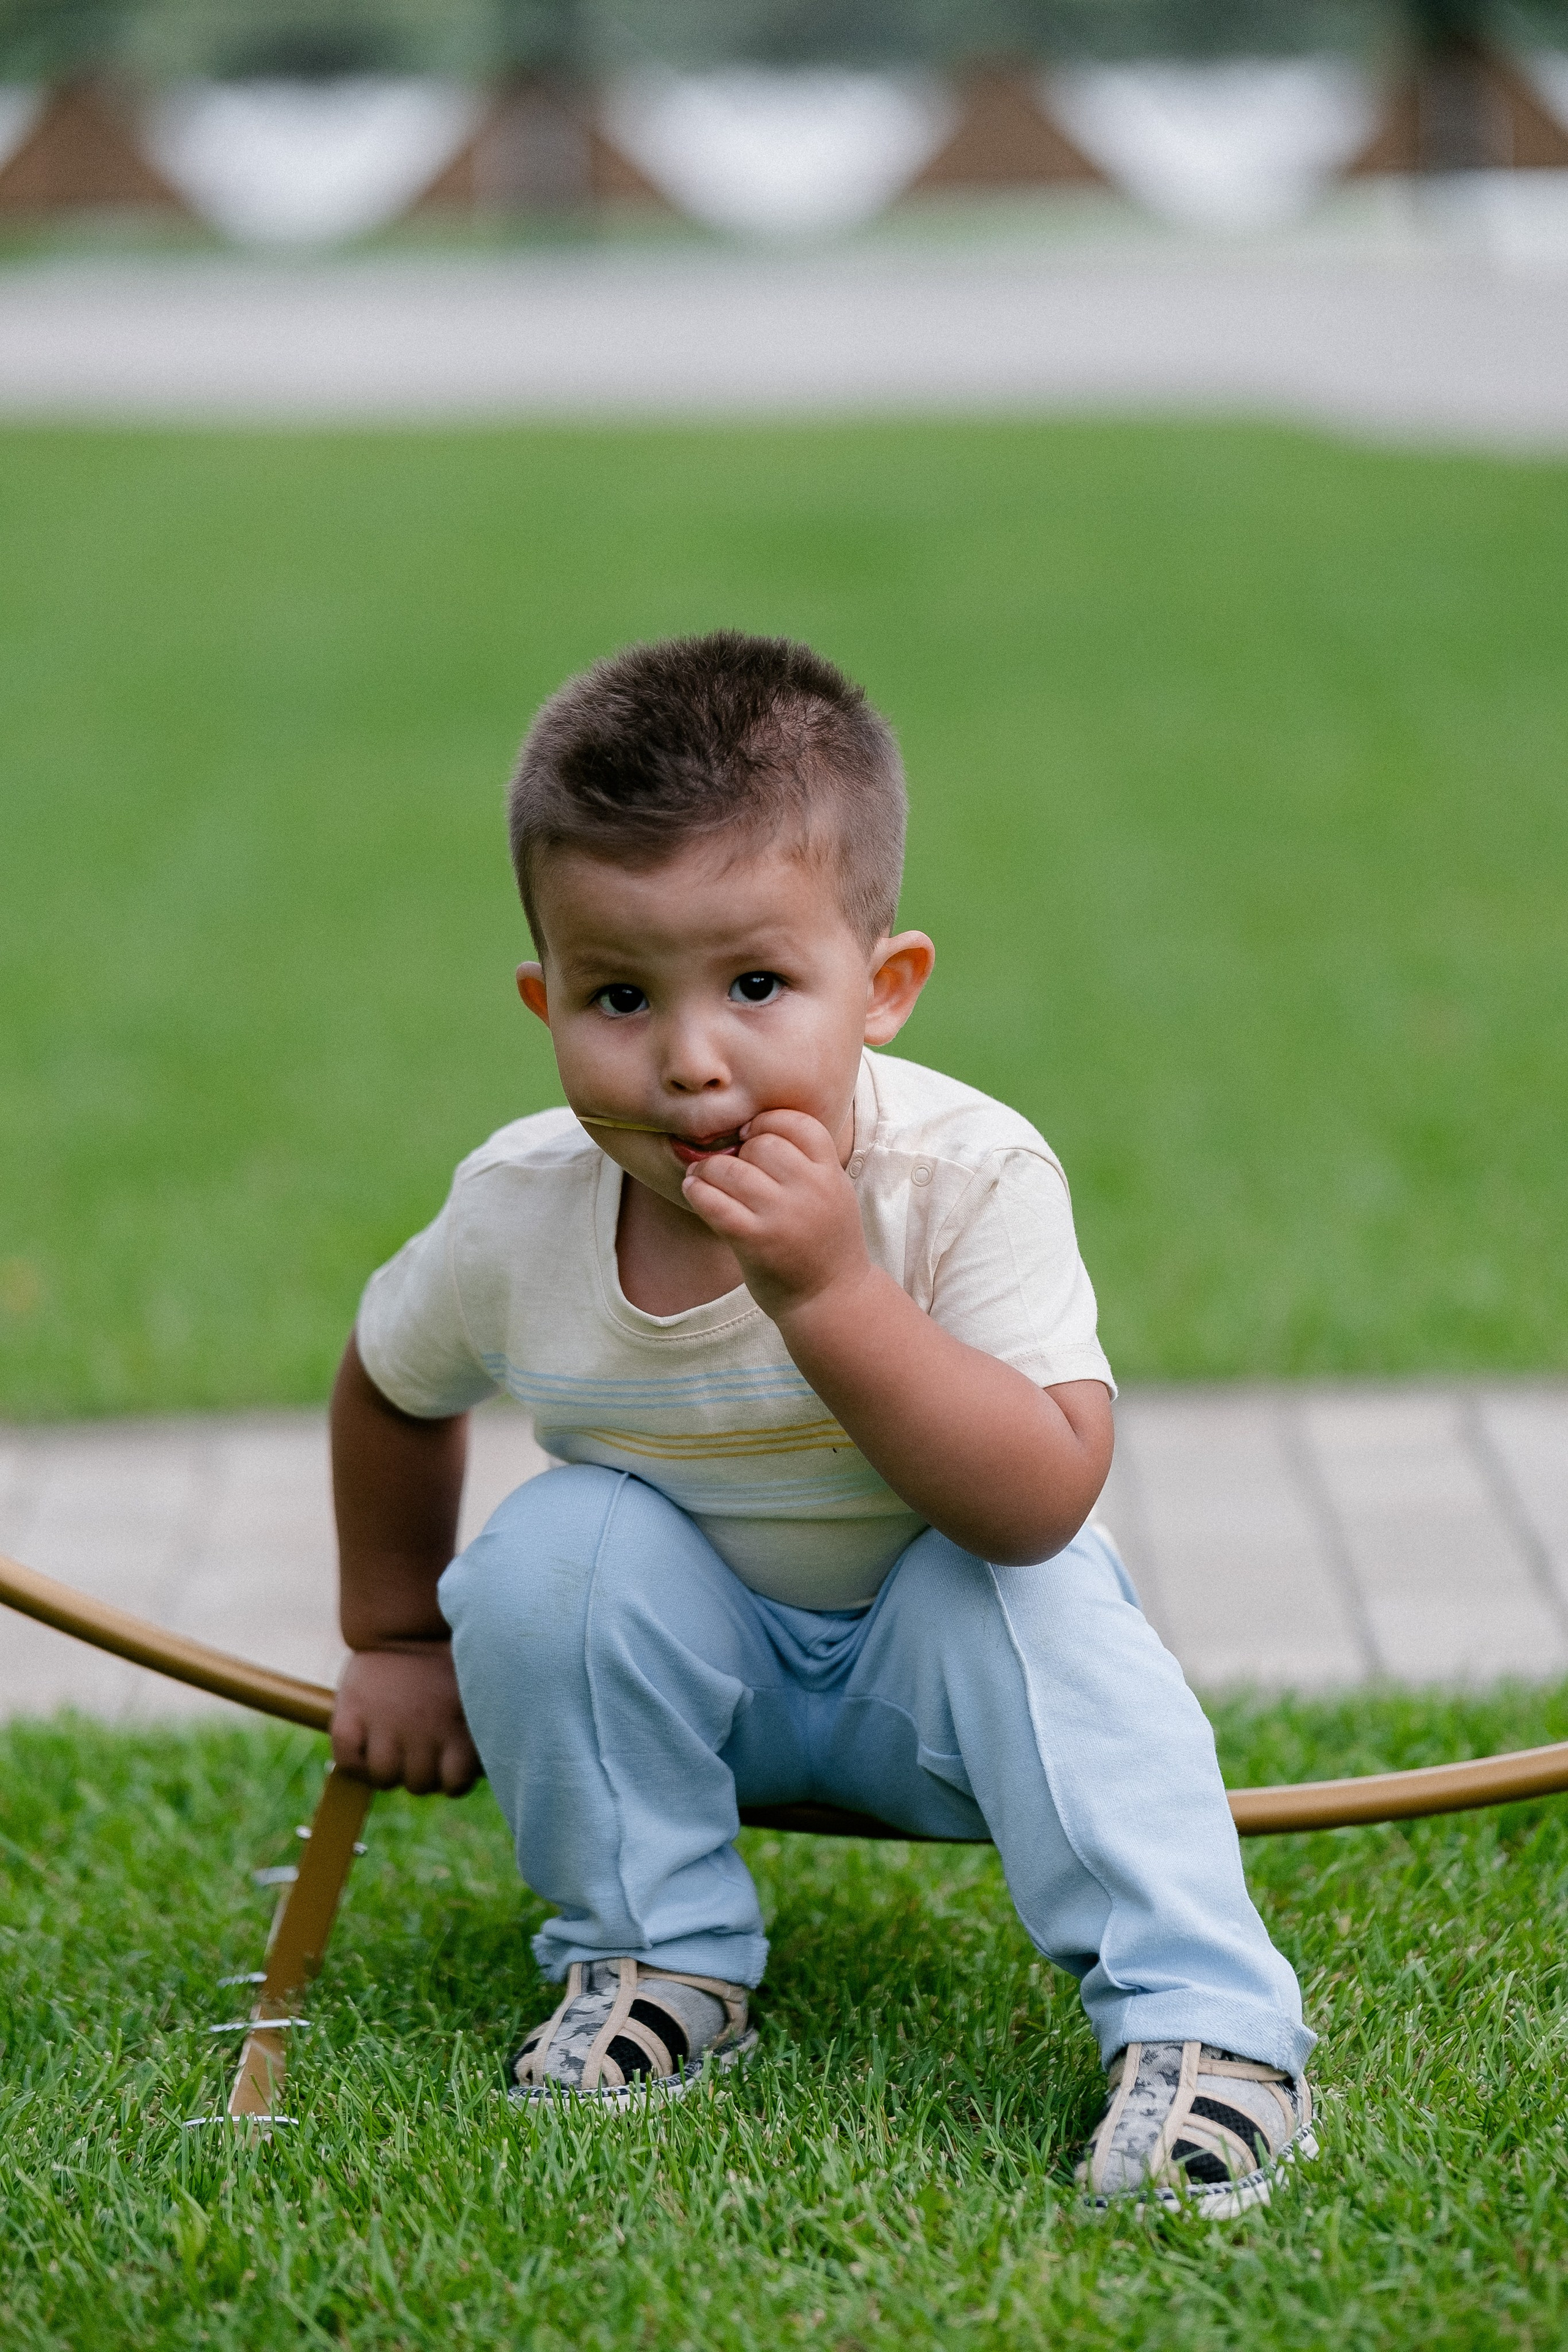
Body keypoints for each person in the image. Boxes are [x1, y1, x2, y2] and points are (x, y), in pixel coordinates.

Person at [328, 631, 1316, 2217]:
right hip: (689, 1682)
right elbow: (389, 1381)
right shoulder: (521, 1206)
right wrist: (391, 1634)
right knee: (556, 1546)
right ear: (544, 999)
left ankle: (1211, 2032)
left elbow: (1039, 1500)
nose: (689, 1058)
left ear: (886, 990)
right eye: (619, 995)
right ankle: (654, 1950)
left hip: (945, 1684)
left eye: (760, 985)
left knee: (1026, 1596)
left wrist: (832, 1292)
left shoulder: (964, 1181)